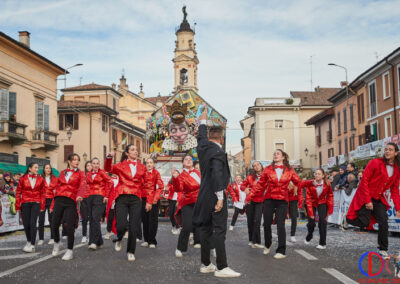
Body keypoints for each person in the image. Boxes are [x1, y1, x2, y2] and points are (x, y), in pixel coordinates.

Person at [192, 106, 241, 278]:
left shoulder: (203, 147)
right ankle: (222, 267)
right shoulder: (219, 152)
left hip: (203, 195)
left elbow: (200, 135)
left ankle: (206, 264)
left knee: (205, 230)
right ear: (221, 137)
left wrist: (203, 120)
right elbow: (218, 174)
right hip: (214, 195)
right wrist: (220, 197)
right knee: (219, 231)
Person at [346, 143, 400, 258]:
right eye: (386, 149)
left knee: (384, 221)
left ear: (396, 153)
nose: (387, 151)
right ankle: (346, 220)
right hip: (365, 195)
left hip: (378, 198)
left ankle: (383, 248)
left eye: (390, 150)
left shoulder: (396, 169)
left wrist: (398, 208)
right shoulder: (375, 163)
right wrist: (367, 201)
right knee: (364, 223)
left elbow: (394, 190)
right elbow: (364, 181)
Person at [249, 149, 302, 259]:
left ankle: (281, 251)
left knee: (280, 224)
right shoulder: (268, 169)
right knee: (266, 223)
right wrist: (250, 195)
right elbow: (260, 185)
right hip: (269, 199)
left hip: (282, 200)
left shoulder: (289, 170)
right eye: (274, 154)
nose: (275, 155)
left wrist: (312, 183)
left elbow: (299, 182)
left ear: (283, 157)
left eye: (278, 153)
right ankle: (268, 244)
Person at [104, 145, 146, 262]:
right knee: (121, 225)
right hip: (122, 196)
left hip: (136, 198)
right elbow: (108, 168)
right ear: (127, 153)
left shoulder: (142, 167)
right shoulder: (120, 165)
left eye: (136, 149)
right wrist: (109, 158)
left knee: (133, 226)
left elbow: (146, 183)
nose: (136, 151)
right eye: (132, 149)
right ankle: (119, 238)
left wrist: (150, 199)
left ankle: (131, 251)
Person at [51, 153, 86, 261]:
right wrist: (53, 204)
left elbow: (83, 185)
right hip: (59, 199)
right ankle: (57, 242)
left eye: (78, 160)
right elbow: (57, 187)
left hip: (71, 200)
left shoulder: (81, 173)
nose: (77, 162)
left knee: (69, 226)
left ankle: (70, 250)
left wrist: (80, 195)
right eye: (74, 160)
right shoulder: (62, 173)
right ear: (69, 162)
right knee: (54, 224)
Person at [172, 155, 201, 257]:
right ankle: (180, 248)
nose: (188, 160)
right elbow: (178, 189)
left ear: (193, 162)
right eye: (186, 159)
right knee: (187, 226)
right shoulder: (181, 174)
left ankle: (213, 247)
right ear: (183, 163)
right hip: (187, 202)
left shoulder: (198, 173)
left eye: (190, 159)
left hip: (200, 202)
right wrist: (175, 178)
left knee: (206, 225)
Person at [15, 163, 45, 253]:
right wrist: (17, 205)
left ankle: (32, 244)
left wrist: (42, 206)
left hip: (36, 203)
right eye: (35, 167)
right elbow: (18, 192)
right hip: (25, 203)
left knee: (33, 224)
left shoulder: (41, 179)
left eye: (38, 167)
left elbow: (43, 193)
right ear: (30, 168)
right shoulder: (23, 179)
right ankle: (28, 241)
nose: (37, 169)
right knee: (26, 224)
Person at [302, 168, 333, 249]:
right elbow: (308, 199)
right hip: (311, 202)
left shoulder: (327, 183)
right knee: (311, 222)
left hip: (322, 202)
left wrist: (330, 207)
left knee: (322, 222)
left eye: (319, 174)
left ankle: (322, 243)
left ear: (323, 175)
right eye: (315, 173)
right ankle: (310, 234)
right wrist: (311, 214)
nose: (317, 175)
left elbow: (330, 195)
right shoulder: (310, 183)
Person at [86, 157, 113, 250]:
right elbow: (86, 185)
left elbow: (110, 182)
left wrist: (106, 196)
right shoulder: (88, 174)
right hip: (90, 197)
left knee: (96, 219)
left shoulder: (102, 173)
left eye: (97, 163)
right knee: (91, 220)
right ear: (91, 164)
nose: (95, 165)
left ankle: (93, 242)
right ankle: (99, 241)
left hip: (100, 196)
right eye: (94, 163)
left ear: (99, 164)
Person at [141, 158, 164, 248]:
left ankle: (152, 241)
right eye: (147, 163)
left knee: (153, 220)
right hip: (143, 199)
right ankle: (146, 240)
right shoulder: (142, 173)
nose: (149, 164)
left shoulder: (156, 173)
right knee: (145, 220)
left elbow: (160, 187)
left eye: (151, 162)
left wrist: (155, 199)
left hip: (154, 199)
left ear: (154, 164)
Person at [241, 161, 265, 248]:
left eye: (258, 164)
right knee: (250, 221)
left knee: (257, 220)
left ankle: (257, 242)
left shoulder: (266, 176)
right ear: (253, 168)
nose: (257, 166)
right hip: (250, 201)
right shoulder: (250, 177)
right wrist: (245, 188)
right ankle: (251, 240)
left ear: (261, 165)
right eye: (254, 166)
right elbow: (242, 186)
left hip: (260, 201)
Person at [38, 164, 58, 245]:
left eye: (49, 168)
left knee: (52, 220)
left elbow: (58, 188)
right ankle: (41, 239)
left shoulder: (54, 178)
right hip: (42, 200)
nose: (48, 169)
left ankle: (52, 238)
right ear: (44, 169)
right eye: (46, 168)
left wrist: (55, 191)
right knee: (41, 220)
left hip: (51, 200)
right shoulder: (40, 178)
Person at [80, 161, 92, 243]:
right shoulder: (82, 176)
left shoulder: (96, 176)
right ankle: (84, 236)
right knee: (84, 218)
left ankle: (92, 235)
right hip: (84, 199)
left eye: (91, 165)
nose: (89, 166)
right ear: (85, 167)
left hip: (93, 198)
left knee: (92, 218)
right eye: (88, 165)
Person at [105, 174, 119, 240]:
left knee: (119, 217)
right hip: (110, 200)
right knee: (110, 216)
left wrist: (116, 198)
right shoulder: (109, 179)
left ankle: (121, 232)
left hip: (119, 199)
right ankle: (108, 232)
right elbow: (106, 189)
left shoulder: (121, 179)